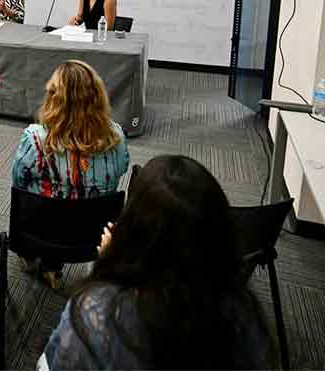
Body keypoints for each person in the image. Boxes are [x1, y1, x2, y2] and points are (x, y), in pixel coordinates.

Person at [42, 155, 270, 370]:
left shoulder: (94, 315)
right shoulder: (244, 317)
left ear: (134, 228)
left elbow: (58, 361)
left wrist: (107, 263)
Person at [11, 60, 128, 287]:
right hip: (92, 233)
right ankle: (52, 267)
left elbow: (19, 181)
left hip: (41, 231)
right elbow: (121, 169)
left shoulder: (35, 138)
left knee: (37, 201)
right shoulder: (117, 137)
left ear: (54, 97)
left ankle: (38, 260)